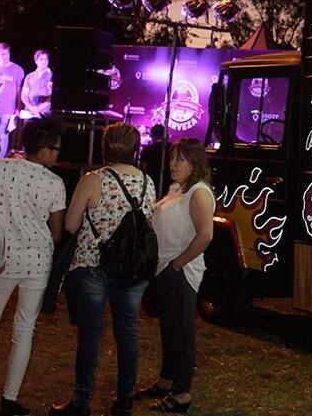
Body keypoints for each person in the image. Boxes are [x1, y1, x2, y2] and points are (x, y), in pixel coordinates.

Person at [50, 123, 156, 416]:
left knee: (90, 335)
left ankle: (81, 401)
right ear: (136, 149)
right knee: (128, 333)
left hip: (93, 267)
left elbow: (71, 225)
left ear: (105, 147)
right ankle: (124, 401)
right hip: (133, 269)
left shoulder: (92, 180)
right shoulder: (147, 182)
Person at [138, 139, 214, 413]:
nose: (172, 164)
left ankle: (181, 393)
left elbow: (205, 235)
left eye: (180, 159)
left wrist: (178, 265)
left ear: (194, 163)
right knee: (169, 330)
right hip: (165, 270)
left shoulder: (199, 193)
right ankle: (166, 380)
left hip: (180, 272)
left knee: (181, 333)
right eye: (172, 158)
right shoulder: (177, 190)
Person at [0, 117, 65, 416]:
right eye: (56, 149)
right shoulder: (54, 183)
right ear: (44, 149)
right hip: (36, 261)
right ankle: (9, 399)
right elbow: (58, 231)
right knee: (24, 331)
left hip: (2, 257)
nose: (58, 155)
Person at [0, 43, 26, 158]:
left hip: (8, 109)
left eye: (7, 53)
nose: (5, 56)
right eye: (2, 54)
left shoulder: (17, 70)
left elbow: (20, 91)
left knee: (3, 136)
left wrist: (18, 107)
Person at [139, 125, 171, 196]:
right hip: (168, 183)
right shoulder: (172, 148)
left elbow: (142, 169)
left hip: (151, 183)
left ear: (152, 135)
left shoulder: (147, 150)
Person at [20, 50, 53, 120]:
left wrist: (39, 108)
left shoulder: (53, 75)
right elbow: (24, 95)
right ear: (36, 61)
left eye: (46, 59)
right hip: (30, 113)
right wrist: (31, 107)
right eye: (41, 59)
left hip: (45, 114)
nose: (44, 62)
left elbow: (53, 96)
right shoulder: (29, 76)